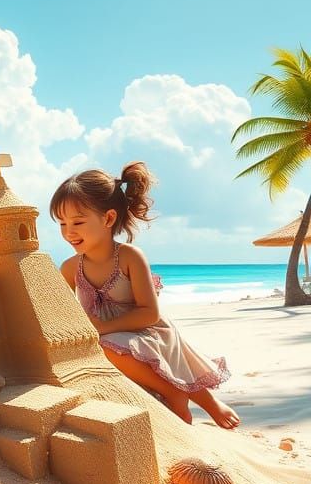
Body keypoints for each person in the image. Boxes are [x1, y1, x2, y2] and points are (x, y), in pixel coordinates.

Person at [50, 163, 239, 429]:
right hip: (110, 336)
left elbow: (150, 313)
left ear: (108, 219)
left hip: (147, 331)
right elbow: (59, 310)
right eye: (62, 224)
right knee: (102, 348)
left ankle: (193, 399)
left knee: (165, 363)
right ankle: (175, 394)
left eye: (78, 222)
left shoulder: (129, 257)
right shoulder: (71, 267)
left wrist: (102, 327)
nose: (69, 231)